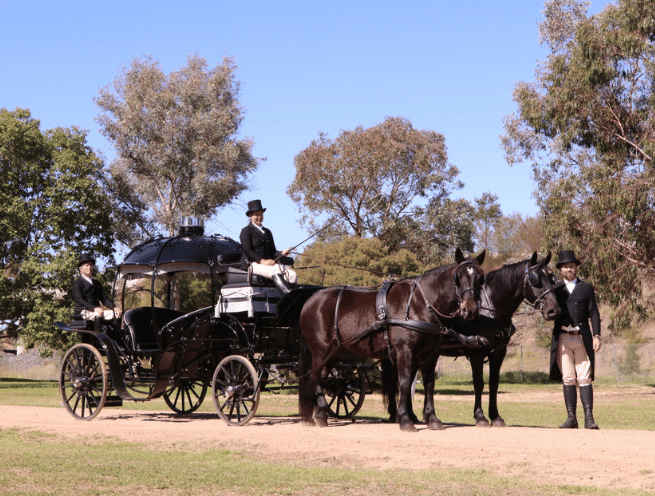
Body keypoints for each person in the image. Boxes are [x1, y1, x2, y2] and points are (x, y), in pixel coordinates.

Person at [550, 250, 601, 429]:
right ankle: (571, 418)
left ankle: (589, 418)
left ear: (576, 268)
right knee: (569, 378)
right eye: (565, 267)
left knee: (585, 377)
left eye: (571, 266)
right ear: (561, 270)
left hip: (582, 338)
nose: (569, 269)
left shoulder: (586, 288)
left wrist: (596, 335)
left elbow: (594, 312)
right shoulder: (555, 289)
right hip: (562, 338)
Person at [239, 199, 297, 294]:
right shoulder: (246, 231)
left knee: (292, 275)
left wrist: (282, 253)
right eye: (256, 214)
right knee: (275, 271)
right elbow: (248, 251)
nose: (259, 217)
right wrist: (263, 261)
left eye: (261, 214)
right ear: (250, 216)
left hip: (268, 265)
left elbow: (272, 252)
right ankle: (288, 296)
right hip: (251, 264)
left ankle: (290, 299)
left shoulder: (268, 232)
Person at [72, 254, 122, 333]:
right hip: (83, 311)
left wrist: (113, 307)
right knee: (98, 313)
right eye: (87, 265)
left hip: (97, 311)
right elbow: (79, 299)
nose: (90, 267)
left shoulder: (96, 283)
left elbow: (104, 298)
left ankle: (117, 336)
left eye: (91, 265)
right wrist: (94, 308)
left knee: (117, 313)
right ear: (80, 269)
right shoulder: (77, 283)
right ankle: (98, 337)